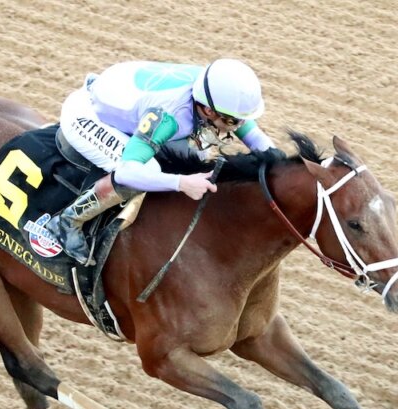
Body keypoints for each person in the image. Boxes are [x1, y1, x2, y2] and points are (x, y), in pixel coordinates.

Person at [44, 58, 283, 264]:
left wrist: (281, 161)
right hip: (88, 115)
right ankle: (68, 221)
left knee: (196, 153)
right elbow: (129, 171)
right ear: (208, 112)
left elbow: (254, 136)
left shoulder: (212, 97)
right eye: (233, 122)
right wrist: (182, 183)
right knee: (149, 169)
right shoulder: (168, 117)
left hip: (123, 91)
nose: (240, 127)